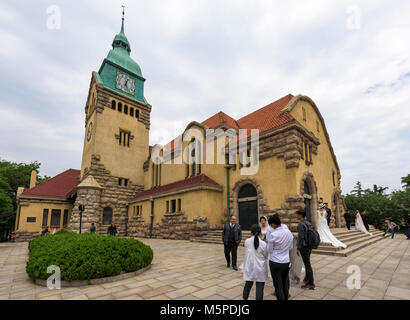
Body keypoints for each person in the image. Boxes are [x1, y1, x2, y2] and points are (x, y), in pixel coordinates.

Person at [266, 214, 294, 300]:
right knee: (285, 283)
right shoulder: (288, 232)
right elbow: (291, 247)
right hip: (286, 261)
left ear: (273, 224)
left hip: (275, 262)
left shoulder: (273, 235)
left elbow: (269, 250)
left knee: (278, 286)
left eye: (271, 225)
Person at [242, 224, 268, 300]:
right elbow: (266, 255)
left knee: (248, 284)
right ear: (260, 232)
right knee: (260, 286)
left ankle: (244, 298)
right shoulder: (263, 244)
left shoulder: (247, 241)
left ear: (251, 232)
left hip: (250, 266)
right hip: (260, 267)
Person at [296, 209, 315, 290]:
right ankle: (307, 279)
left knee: (307, 265)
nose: (296, 216)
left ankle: (311, 283)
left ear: (301, 215)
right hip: (309, 246)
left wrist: (298, 248)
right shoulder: (308, 222)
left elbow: (301, 237)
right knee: (307, 263)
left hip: (304, 247)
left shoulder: (301, 224)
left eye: (297, 215)